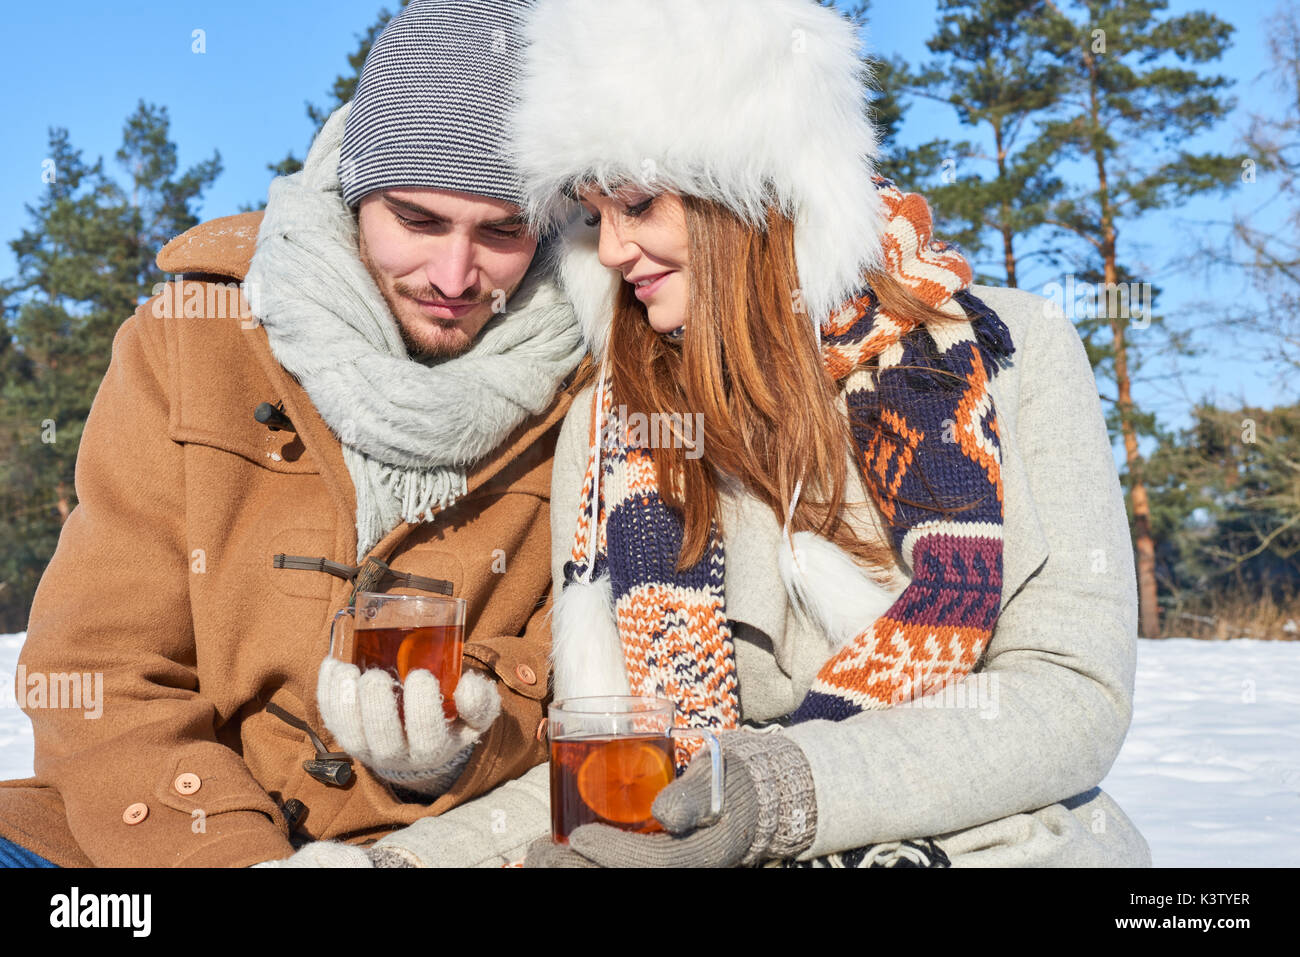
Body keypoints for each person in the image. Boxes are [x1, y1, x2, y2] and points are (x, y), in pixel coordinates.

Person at [373, 0, 1154, 868]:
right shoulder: (610, 429)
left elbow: (1070, 695)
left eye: (637, 203)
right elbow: (610, 760)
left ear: (756, 190)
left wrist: (780, 792)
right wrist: (396, 862)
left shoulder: (1014, 353)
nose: (613, 250)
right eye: (596, 215)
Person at [0, 0, 585, 868]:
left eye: (501, 230)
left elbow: (584, 680)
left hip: (423, 847)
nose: (456, 276)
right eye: (417, 220)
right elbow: (101, 667)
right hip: (137, 837)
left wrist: (465, 735)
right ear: (353, 194)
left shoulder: (590, 383)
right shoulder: (193, 335)